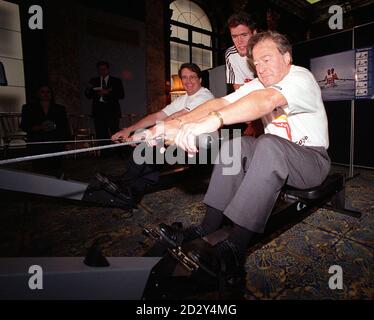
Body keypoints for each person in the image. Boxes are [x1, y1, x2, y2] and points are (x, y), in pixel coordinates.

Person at [147, 31, 331, 277]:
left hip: (312, 161)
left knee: (267, 142)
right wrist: (176, 124)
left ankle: (236, 246)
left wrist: (214, 121)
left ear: (287, 57)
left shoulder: (301, 77)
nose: (261, 67)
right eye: (257, 62)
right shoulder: (259, 83)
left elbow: (265, 101)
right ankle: (207, 226)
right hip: (276, 154)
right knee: (238, 144)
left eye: (267, 59)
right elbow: (221, 103)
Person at [106, 63, 214, 202]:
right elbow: (157, 116)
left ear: (200, 80)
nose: (188, 81)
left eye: (192, 77)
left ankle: (131, 190)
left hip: (201, 145)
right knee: (148, 147)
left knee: (148, 149)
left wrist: (147, 133)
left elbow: (179, 116)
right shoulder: (182, 99)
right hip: (181, 139)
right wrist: (129, 129)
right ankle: (127, 184)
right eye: (184, 77)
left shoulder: (204, 95)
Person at [225, 12, 263, 138]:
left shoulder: (266, 50)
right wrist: (251, 122)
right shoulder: (230, 54)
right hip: (252, 108)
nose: (239, 41)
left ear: (254, 33)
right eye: (234, 36)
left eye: (244, 35)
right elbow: (239, 90)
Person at [21, 85, 70, 177]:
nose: (46, 94)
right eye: (43, 92)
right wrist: (39, 127)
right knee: (39, 172)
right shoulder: (28, 108)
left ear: (51, 94)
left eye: (48, 92)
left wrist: (67, 142)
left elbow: (64, 126)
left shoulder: (60, 109)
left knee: (56, 170)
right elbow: (24, 125)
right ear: (38, 94)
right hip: (37, 143)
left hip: (55, 143)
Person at [85, 61, 124, 155]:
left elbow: (121, 95)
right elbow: (88, 96)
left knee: (115, 132)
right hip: (98, 112)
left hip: (112, 111)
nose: (102, 71)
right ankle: (105, 154)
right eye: (100, 69)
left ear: (108, 69)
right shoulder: (93, 81)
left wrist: (108, 93)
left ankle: (120, 153)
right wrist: (88, 88)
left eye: (104, 69)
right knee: (101, 133)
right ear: (98, 70)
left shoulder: (116, 81)